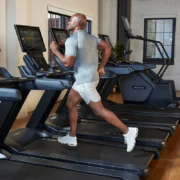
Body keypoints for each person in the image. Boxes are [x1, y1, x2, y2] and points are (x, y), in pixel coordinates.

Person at [50, 13, 138, 152]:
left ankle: (128, 131)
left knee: (100, 111)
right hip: (90, 77)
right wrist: (101, 66)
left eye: (70, 21)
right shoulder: (91, 38)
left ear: (77, 24)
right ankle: (72, 136)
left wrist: (55, 51)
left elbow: (67, 63)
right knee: (70, 104)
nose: (67, 23)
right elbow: (107, 47)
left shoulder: (72, 40)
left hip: (85, 81)